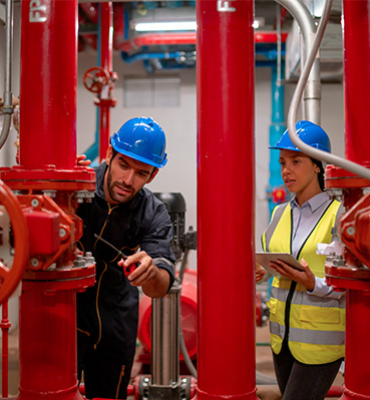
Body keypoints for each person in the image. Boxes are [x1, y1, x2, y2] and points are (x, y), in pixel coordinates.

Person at [76, 116, 176, 399]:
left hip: (116, 325)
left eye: (142, 173)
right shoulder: (75, 187)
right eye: (123, 165)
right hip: (67, 319)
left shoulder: (153, 213)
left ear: (153, 175)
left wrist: (151, 274)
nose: (128, 181)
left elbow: (161, 285)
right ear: (109, 154)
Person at [259, 120, 345, 400]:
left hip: (320, 344)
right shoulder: (279, 214)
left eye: (296, 161)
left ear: (318, 165)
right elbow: (267, 259)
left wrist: (312, 283)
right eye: (283, 161)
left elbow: (351, 284)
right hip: (281, 339)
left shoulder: (339, 216)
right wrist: (260, 271)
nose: (286, 170)